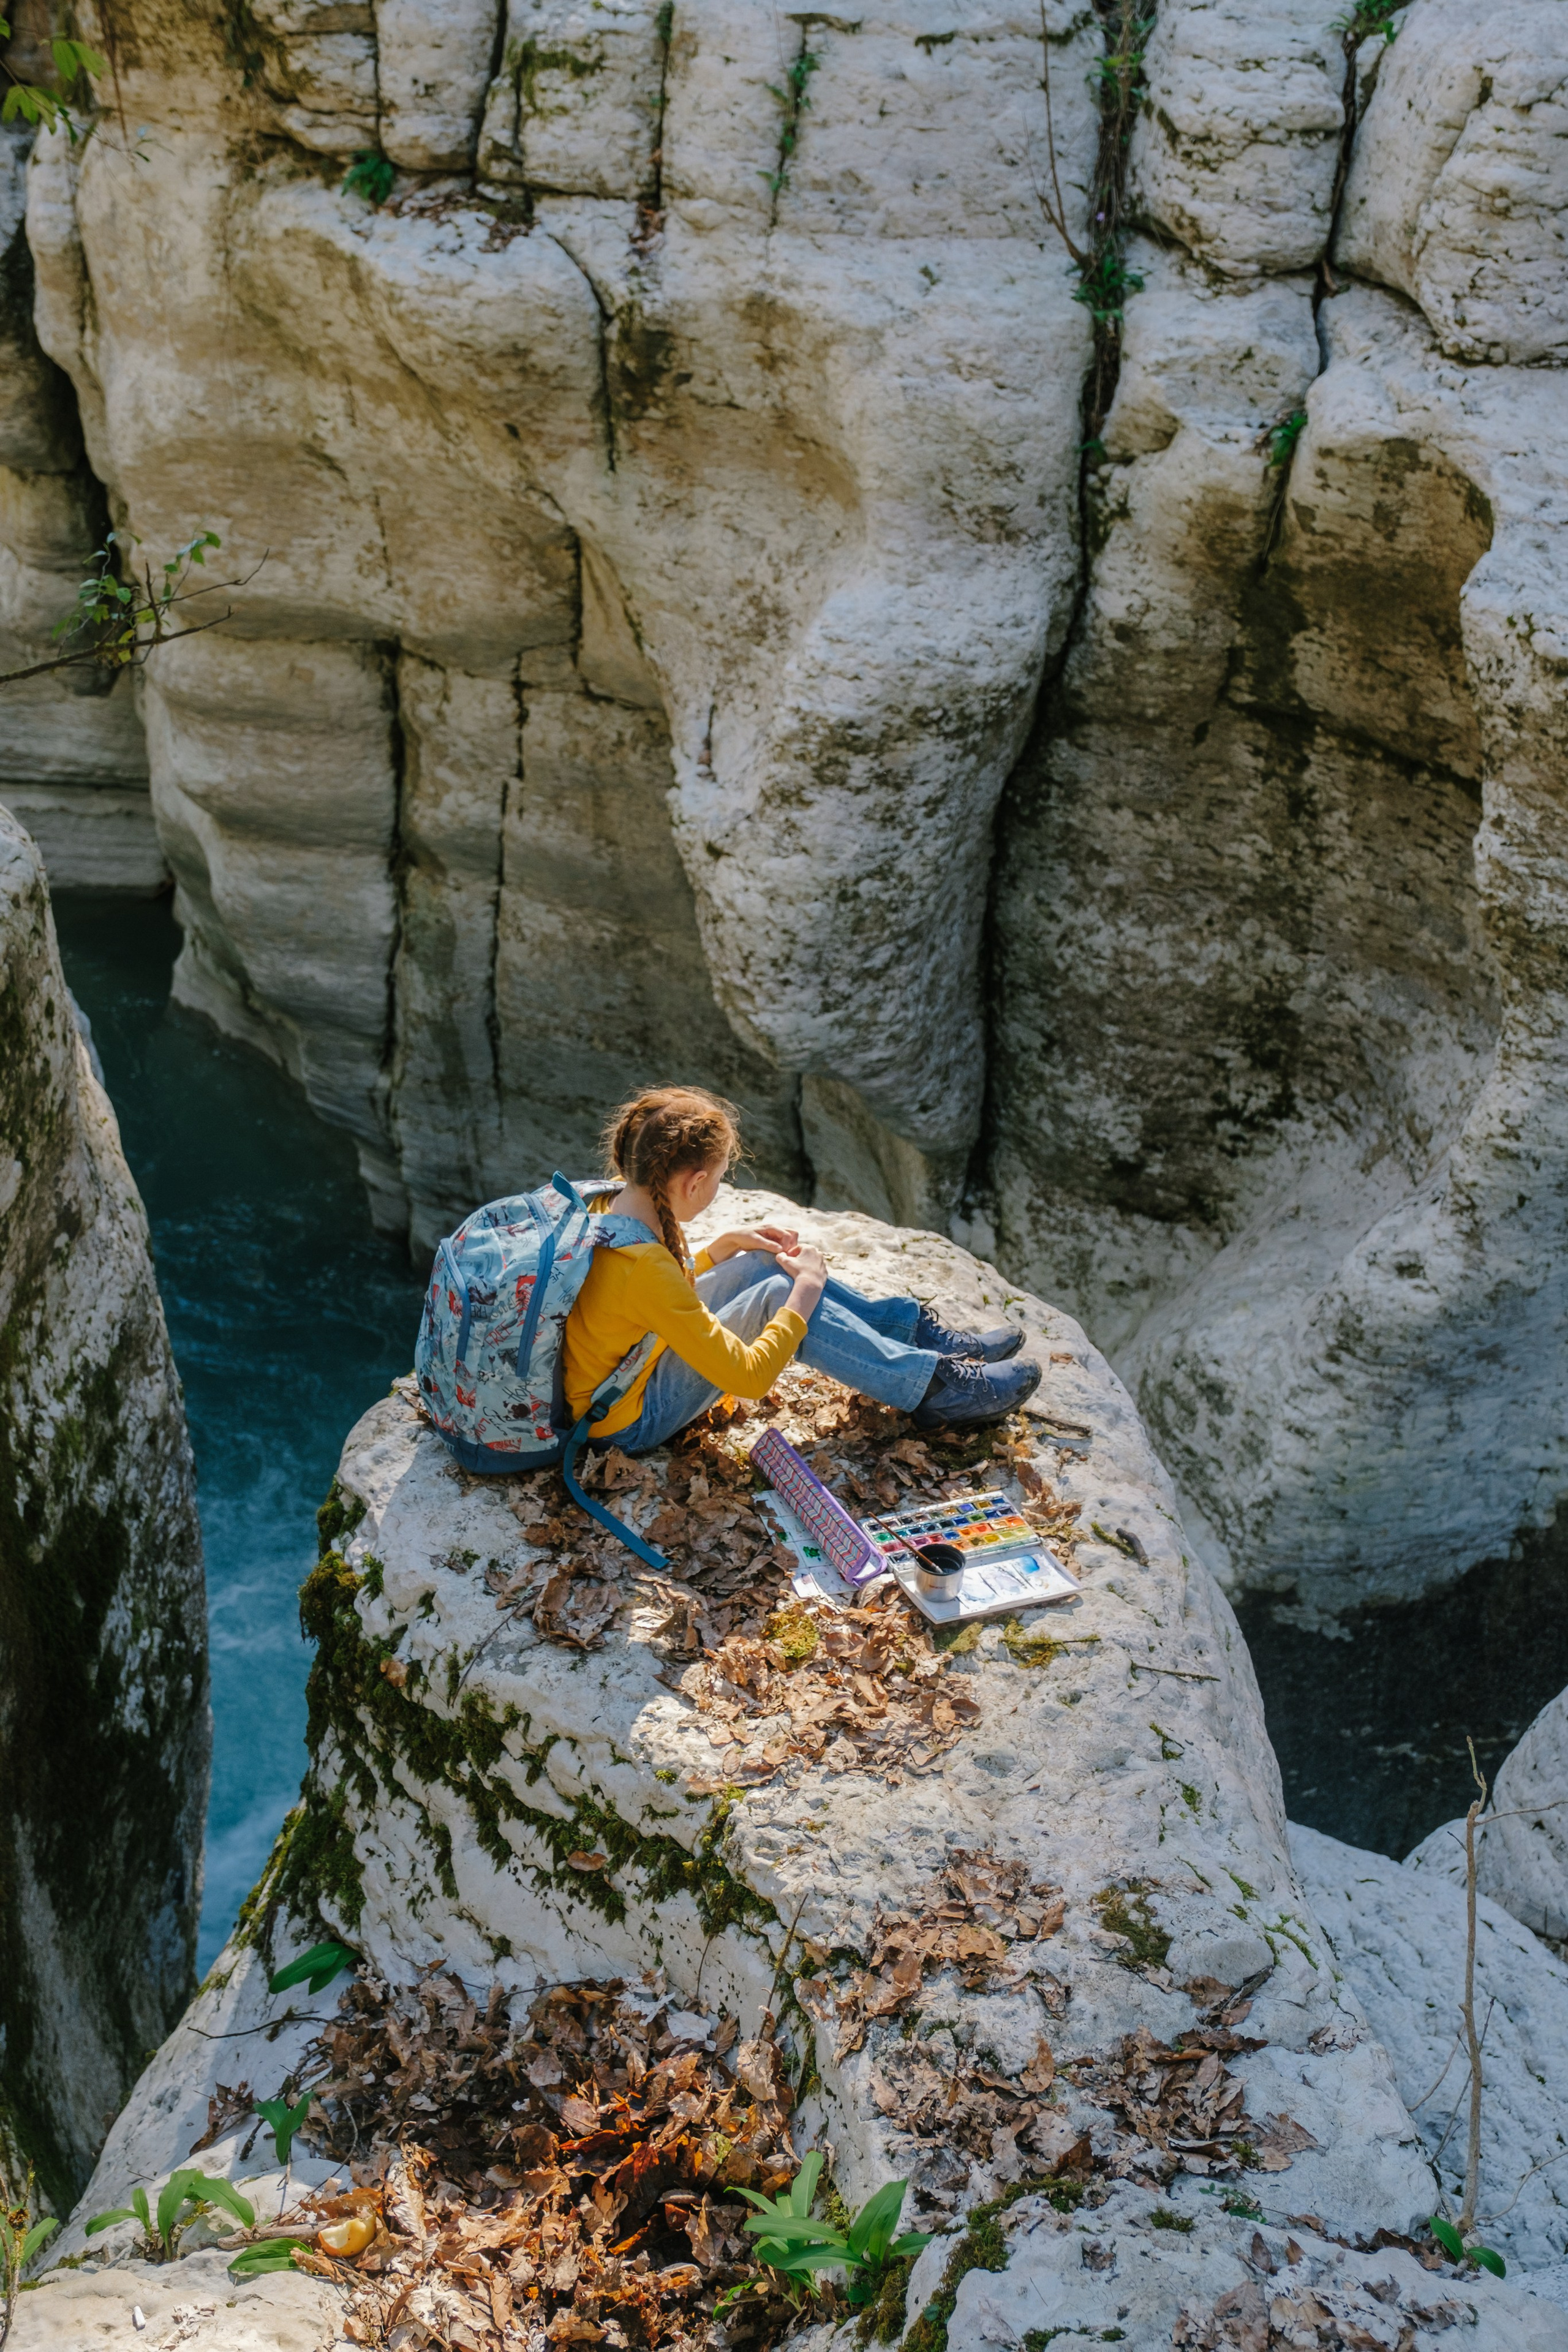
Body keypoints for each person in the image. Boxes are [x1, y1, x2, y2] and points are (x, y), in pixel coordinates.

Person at [562, 1085, 1040, 1455]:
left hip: (625, 1370)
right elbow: (748, 1379)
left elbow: (643, 1299)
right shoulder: (646, 1268)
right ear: (696, 1181)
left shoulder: (611, 1204)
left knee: (765, 1264)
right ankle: (935, 1389)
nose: (718, 1191)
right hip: (625, 1420)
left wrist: (725, 1247)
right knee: (780, 1294)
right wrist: (806, 1290)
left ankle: (917, 1338)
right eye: (722, 1178)